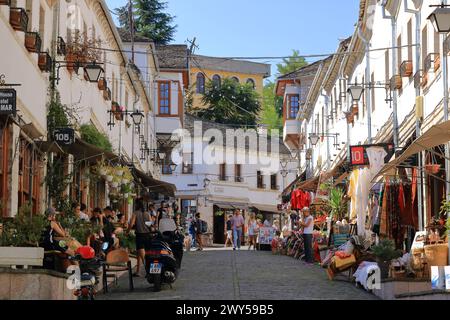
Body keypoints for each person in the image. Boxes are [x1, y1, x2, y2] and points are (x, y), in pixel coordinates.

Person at [128, 198, 152, 277]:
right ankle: (138, 271)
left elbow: (131, 224)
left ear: (137, 205)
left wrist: (127, 231)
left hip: (140, 235)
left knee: (143, 256)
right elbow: (150, 225)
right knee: (139, 254)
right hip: (147, 235)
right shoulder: (147, 213)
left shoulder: (135, 213)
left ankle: (148, 270)